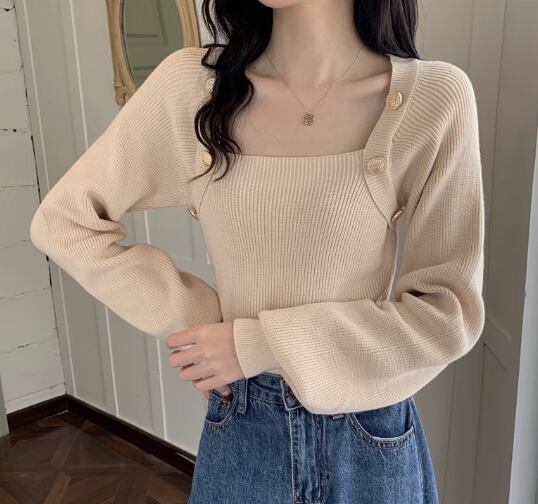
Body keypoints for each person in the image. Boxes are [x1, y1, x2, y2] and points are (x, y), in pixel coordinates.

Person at [29, 0, 485, 502]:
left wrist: (262, 342)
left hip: (370, 437)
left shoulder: (433, 98)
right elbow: (66, 222)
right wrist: (204, 325)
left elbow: (447, 314)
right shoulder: (194, 89)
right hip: (245, 426)